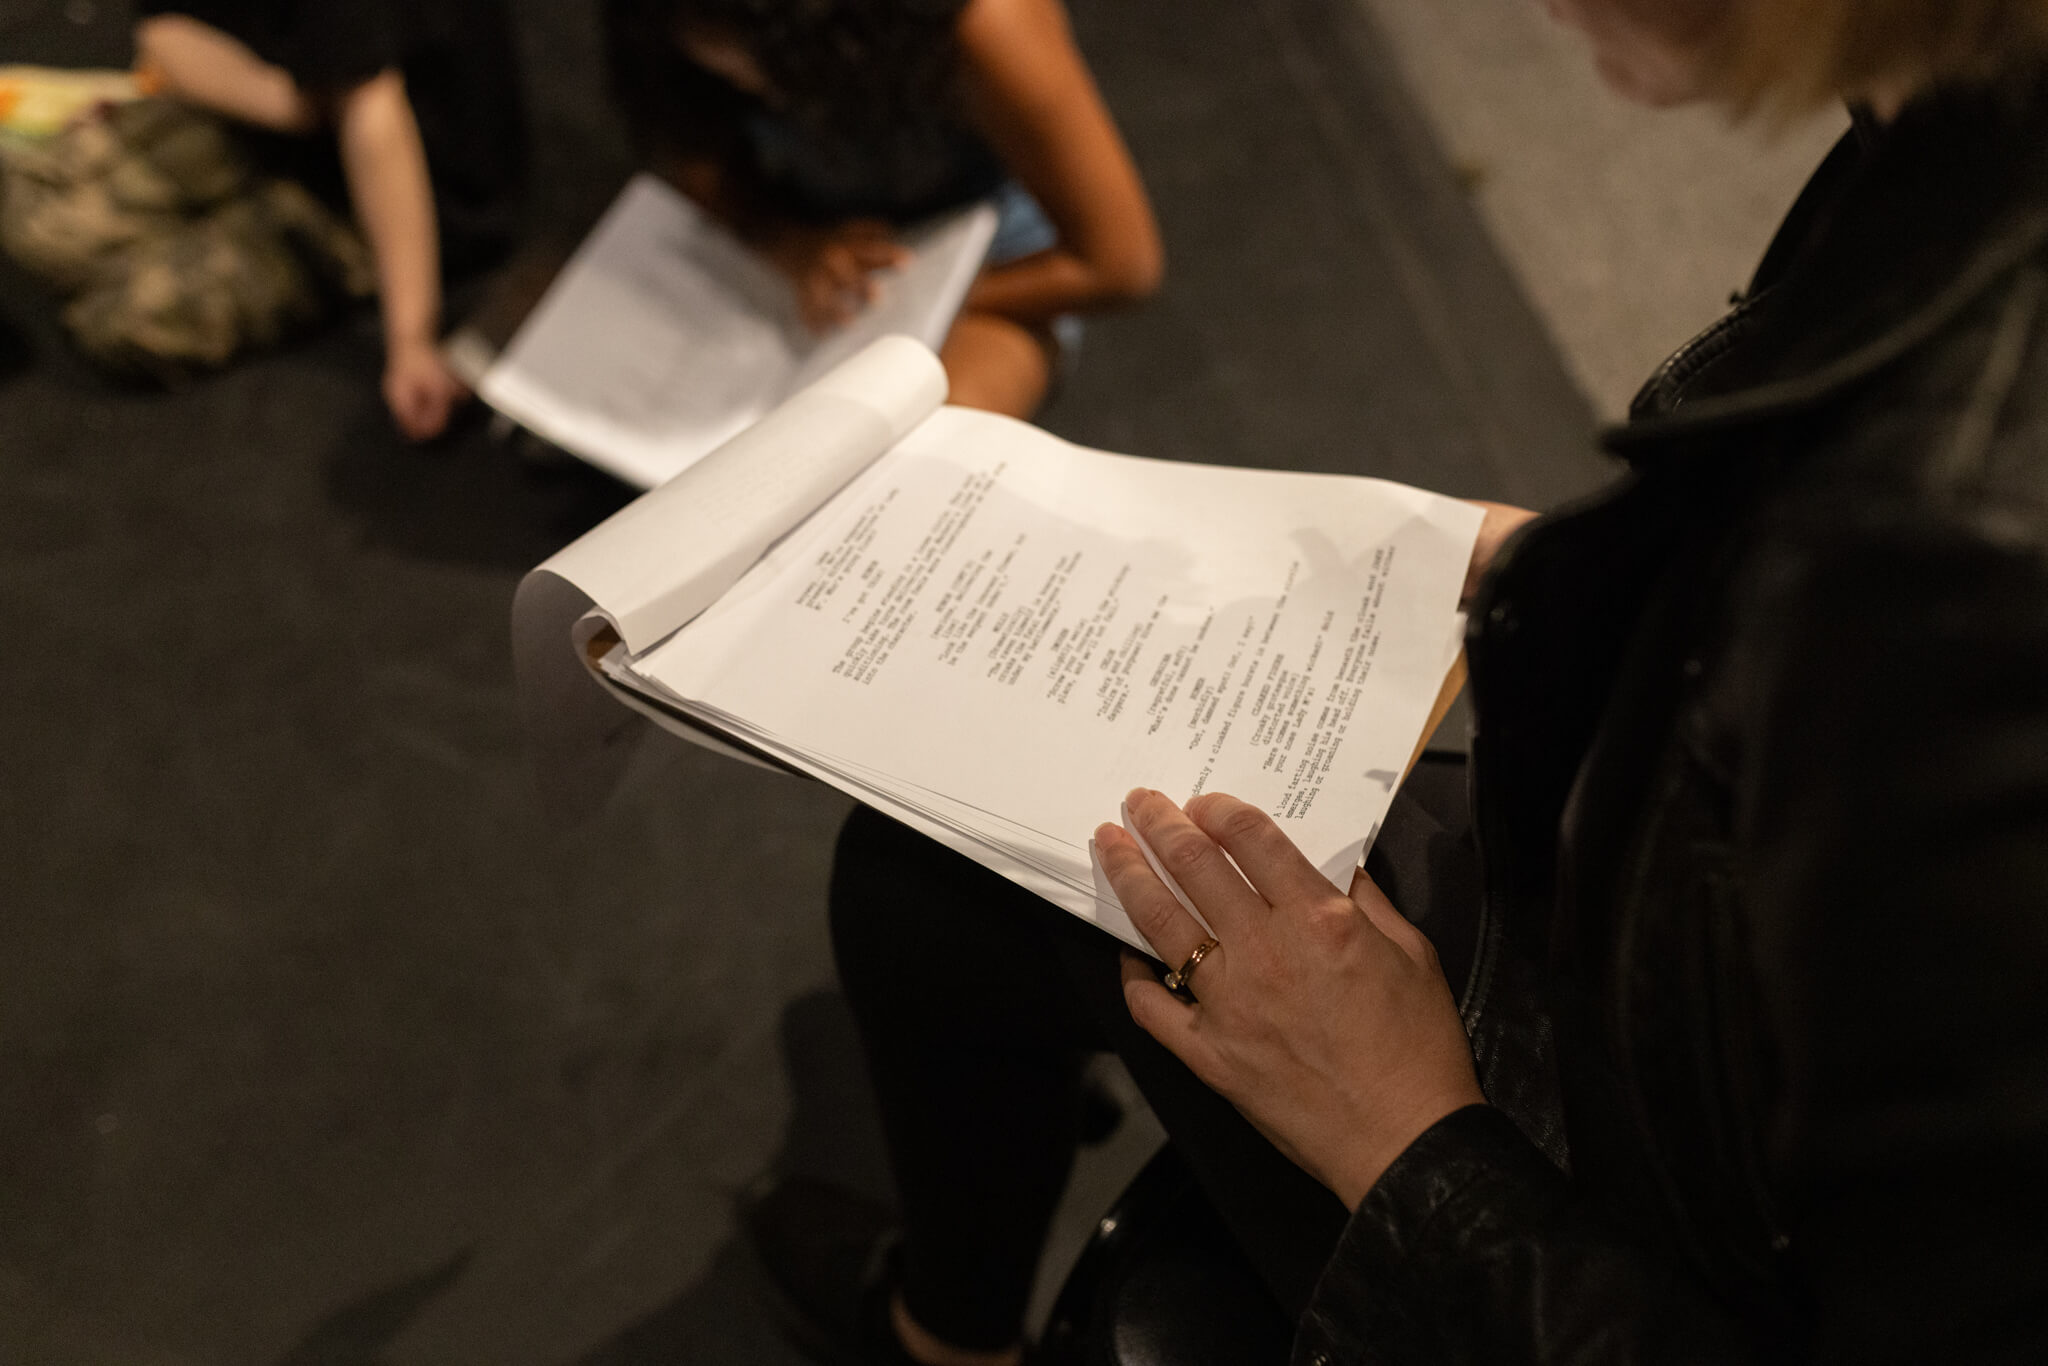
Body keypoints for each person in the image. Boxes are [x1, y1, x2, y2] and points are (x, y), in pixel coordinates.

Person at [789, 1, 2048, 1364]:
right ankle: (949, 1334)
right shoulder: (1953, 116)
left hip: (1614, 1210)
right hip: (1668, 982)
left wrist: (1406, 1137)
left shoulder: (1957, 553)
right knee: (933, 870)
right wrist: (1596, 572)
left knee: (968, 882)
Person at [604, 0, 1162, 418]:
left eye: (762, 71)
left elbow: (1120, 266)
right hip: (812, 235)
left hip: (998, 267)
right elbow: (692, 152)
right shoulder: (675, 27)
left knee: (912, 460)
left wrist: (904, 306)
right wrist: (784, 241)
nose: (755, 92)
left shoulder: (986, 23)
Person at [133, 0, 528, 440]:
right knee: (49, 218)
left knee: (131, 317)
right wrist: (304, 106)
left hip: (414, 186)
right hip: (295, 113)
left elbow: (372, 106)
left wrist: (411, 341)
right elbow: (161, 36)